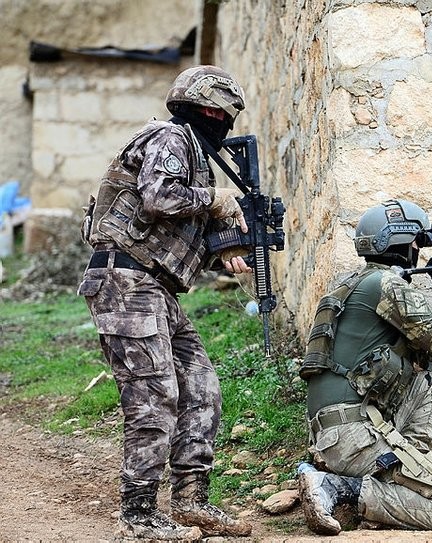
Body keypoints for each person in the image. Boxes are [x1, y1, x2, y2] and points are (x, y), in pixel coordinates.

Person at [77, 65, 254, 541]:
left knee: (201, 387)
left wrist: (227, 249)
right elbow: (160, 199)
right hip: (125, 281)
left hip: (153, 286)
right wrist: (218, 200)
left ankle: (191, 502)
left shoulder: (190, 151)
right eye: (220, 113)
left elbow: (169, 227)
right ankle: (137, 515)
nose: (223, 122)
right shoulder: (170, 137)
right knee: (154, 399)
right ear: (212, 110)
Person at [297, 199, 432, 534]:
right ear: (399, 242)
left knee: (429, 381)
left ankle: (403, 474)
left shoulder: (358, 283)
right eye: (416, 242)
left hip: (340, 429)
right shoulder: (387, 285)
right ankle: (335, 488)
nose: (419, 248)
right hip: (351, 434)